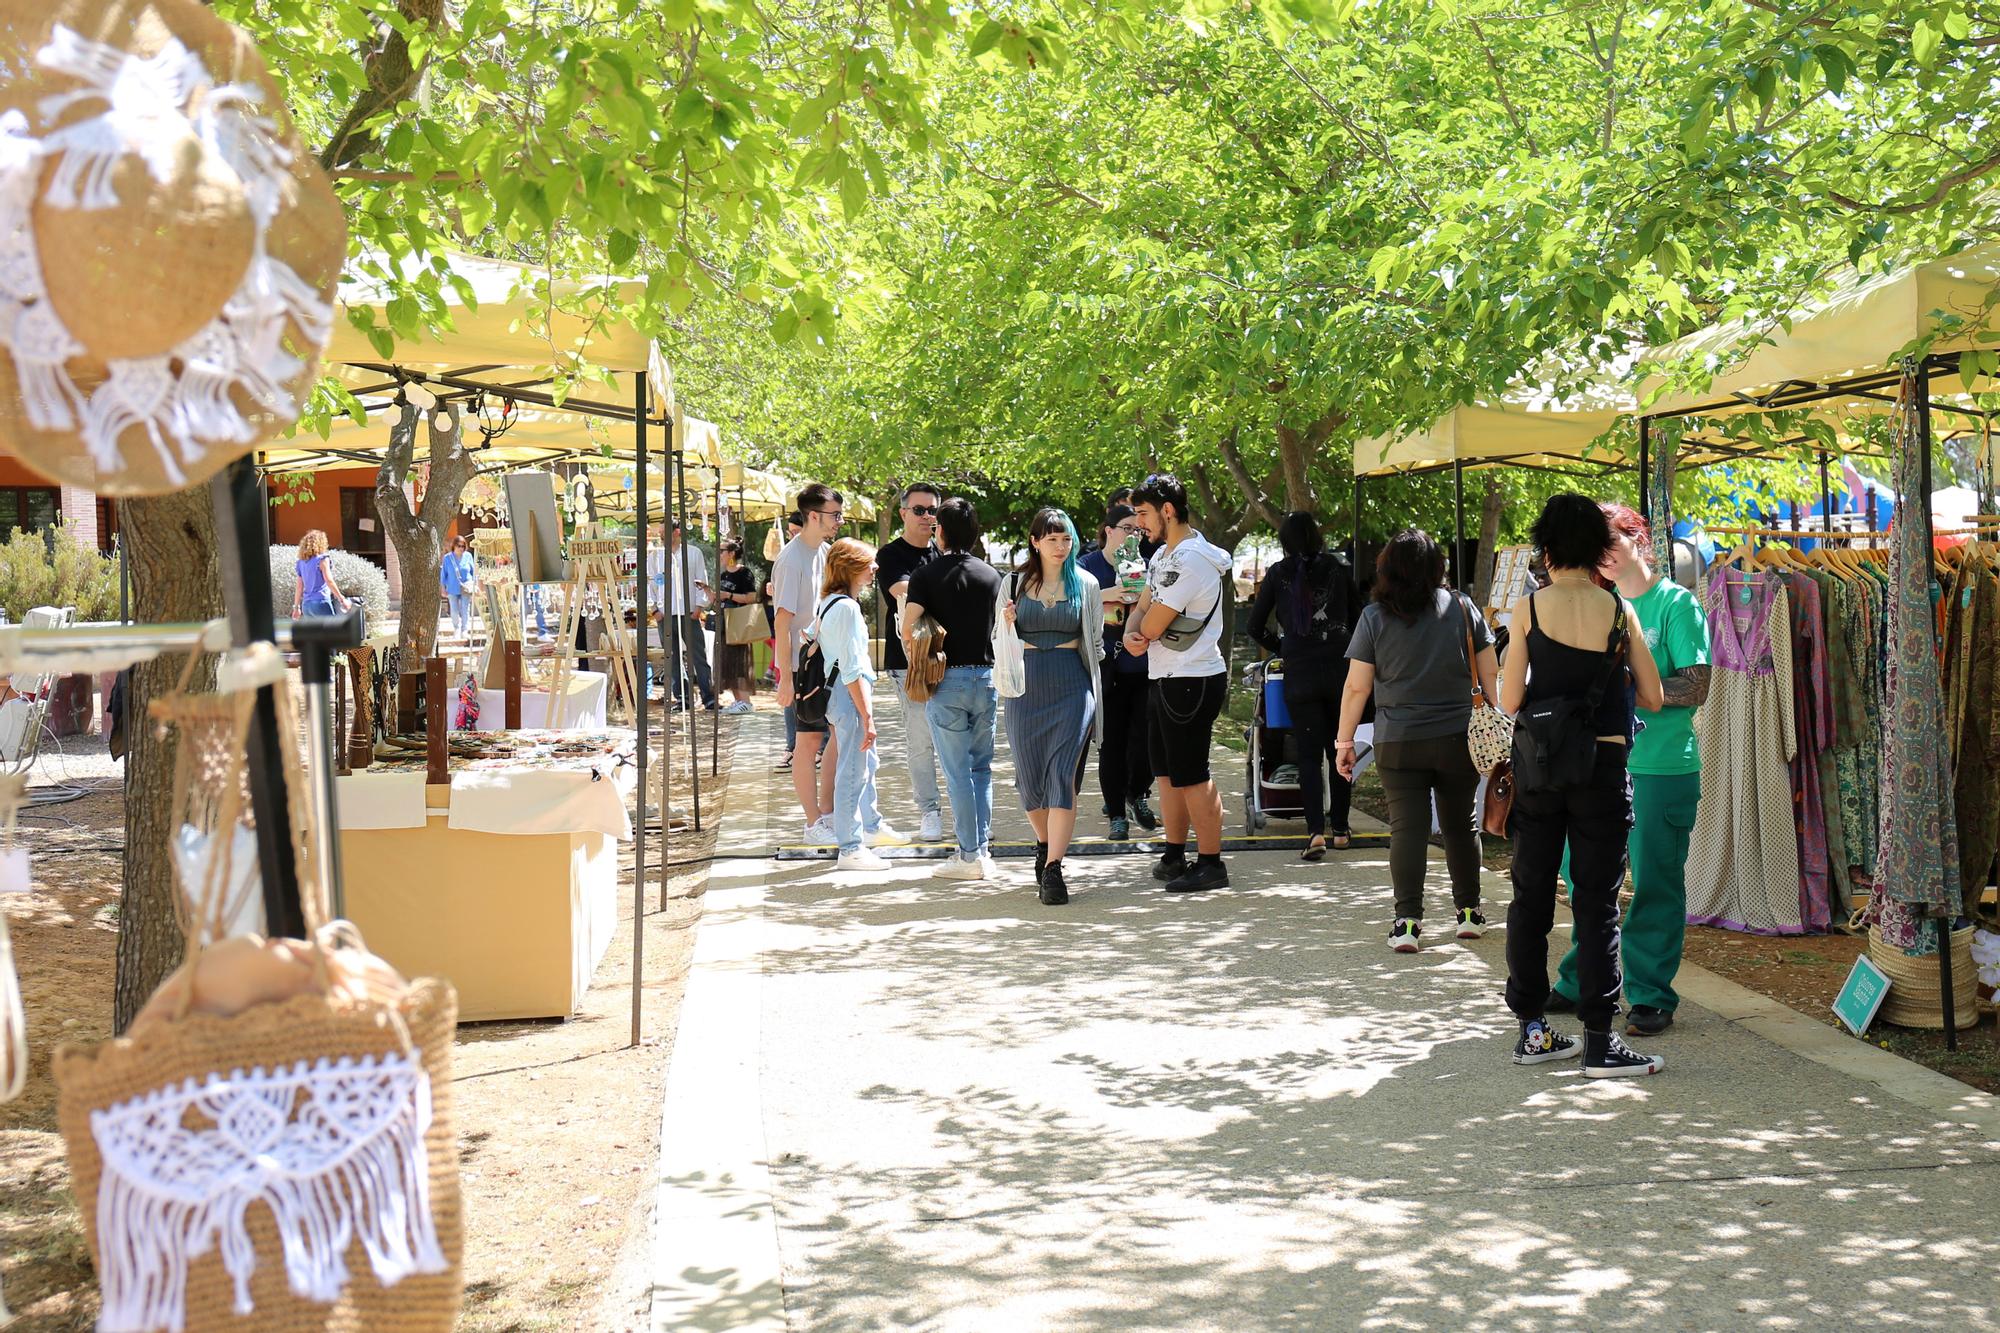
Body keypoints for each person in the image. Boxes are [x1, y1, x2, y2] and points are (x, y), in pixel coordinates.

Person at [1499, 493, 1666, 1077]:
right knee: (1597, 905)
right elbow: (1654, 696)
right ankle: (1600, 1041)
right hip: (1602, 768)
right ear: (1597, 550)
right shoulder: (1619, 611)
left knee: (1531, 896)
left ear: (1546, 549)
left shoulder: (1529, 609)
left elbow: (1509, 698)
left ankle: (1533, 1029)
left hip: (1541, 770)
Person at [1541, 503, 1706, 1039]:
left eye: (1611, 541)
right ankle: (1580, 978)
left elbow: (1698, 684)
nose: (1603, 555)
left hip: (1660, 768)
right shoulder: (1595, 603)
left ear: (1640, 540)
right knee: (1584, 879)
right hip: (1595, 766)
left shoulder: (1676, 604)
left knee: (1655, 882)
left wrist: (1628, 695)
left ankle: (1650, 993)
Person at [1335, 529, 1495, 950]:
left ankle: (1406, 921)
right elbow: (1491, 672)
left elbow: (1356, 688)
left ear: (1387, 569)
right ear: (1436, 567)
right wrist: (1498, 721)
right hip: (1458, 736)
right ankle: (1468, 914)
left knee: (1407, 829)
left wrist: (1344, 741)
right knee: (1461, 825)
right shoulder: (1462, 608)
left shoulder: (1374, 617)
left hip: (1398, 739)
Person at [1123, 473, 1234, 894]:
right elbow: (1141, 610)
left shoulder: (1192, 560)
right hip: (1165, 675)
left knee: (1192, 774)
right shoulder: (1162, 557)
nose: (1139, 523)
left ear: (1167, 511)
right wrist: (1138, 630)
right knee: (1166, 774)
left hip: (1193, 677)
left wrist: (1140, 632)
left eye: (1144, 513)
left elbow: (1150, 622)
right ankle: (1175, 853)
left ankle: (1211, 862)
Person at [1002, 508, 1104, 905]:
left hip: (1072, 685)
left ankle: (1054, 868)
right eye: (1052, 539)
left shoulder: (1087, 583)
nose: (1061, 547)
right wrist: (1006, 622)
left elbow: (1093, 641)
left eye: (1066, 539)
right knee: (1030, 780)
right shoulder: (1012, 583)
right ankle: (1044, 844)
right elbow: (998, 639)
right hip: (1026, 685)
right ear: (1035, 542)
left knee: (1063, 775)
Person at [1248, 512, 1359, 859]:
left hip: (1300, 673)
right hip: (1340, 673)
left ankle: (1315, 833)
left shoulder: (1277, 575)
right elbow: (1361, 617)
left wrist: (1285, 647)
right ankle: (1340, 828)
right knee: (1340, 750)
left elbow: (1254, 626)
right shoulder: (1340, 571)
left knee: (1309, 757)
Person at [904, 498, 1003, 880]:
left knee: (957, 771)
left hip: (945, 680)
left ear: (939, 531)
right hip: (986, 677)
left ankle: (968, 855)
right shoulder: (991, 575)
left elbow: (909, 628)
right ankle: (982, 849)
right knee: (981, 768)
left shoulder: (926, 576)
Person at [814, 539, 904, 870]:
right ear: (851, 567)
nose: (874, 570)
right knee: (853, 770)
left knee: (862, 765)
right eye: (869, 564)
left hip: (835, 692)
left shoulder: (829, 603)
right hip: (847, 692)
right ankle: (851, 846)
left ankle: (865, 830)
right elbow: (852, 669)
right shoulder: (848, 608)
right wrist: (868, 716)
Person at [1079, 504, 1158, 839]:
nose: (1133, 535)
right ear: (1108, 530)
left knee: (1147, 742)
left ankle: (1138, 793)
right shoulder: (1087, 567)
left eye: (1138, 529)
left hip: (1145, 665)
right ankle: (1116, 813)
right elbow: (1076, 606)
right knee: (1111, 744)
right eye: (1127, 528)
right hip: (1105, 667)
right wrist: (1111, 593)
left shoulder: (1149, 565)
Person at [876, 483, 949, 843]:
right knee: (921, 739)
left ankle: (965, 812)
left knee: (954, 738)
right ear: (903, 513)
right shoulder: (890, 555)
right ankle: (929, 811)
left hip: (951, 657)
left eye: (933, 510)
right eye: (919, 510)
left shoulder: (943, 552)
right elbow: (903, 594)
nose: (927, 517)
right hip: (910, 661)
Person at [774, 486, 844, 844]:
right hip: (804, 666)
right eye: (834, 515)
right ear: (812, 516)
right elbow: (782, 621)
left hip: (829, 661)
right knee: (808, 741)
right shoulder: (791, 558)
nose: (839, 522)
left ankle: (828, 812)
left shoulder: (826, 553)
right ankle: (813, 821)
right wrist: (785, 676)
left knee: (840, 735)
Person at [656, 522, 717, 711]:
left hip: (688, 612)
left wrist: (699, 607)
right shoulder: (656, 556)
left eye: (664, 531)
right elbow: (651, 582)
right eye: (659, 532)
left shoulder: (693, 553)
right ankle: (682, 698)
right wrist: (654, 610)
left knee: (698, 656)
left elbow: (701, 579)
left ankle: (708, 697)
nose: (661, 535)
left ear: (676, 532)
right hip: (665, 614)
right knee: (672, 658)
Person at [715, 539, 759, 713]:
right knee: (727, 661)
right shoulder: (723, 574)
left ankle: (745, 701)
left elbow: (751, 597)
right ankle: (737, 700)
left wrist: (729, 595)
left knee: (739, 661)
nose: (719, 554)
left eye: (721, 550)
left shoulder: (744, 573)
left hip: (739, 622)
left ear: (731, 553)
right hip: (724, 622)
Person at [292, 530, 352, 618]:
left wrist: (296, 607)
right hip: (321, 601)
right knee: (331, 631)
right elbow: (329, 581)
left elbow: (299, 586)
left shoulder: (301, 562)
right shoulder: (322, 559)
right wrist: (342, 599)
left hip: (307, 605)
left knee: (315, 632)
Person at [439, 533, 476, 637]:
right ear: (454, 545)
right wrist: (443, 588)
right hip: (452, 587)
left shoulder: (468, 556)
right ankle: (457, 628)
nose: (461, 548)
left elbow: (473, 572)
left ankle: (465, 630)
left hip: (466, 587)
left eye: (463, 546)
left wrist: (475, 585)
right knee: (454, 611)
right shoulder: (447, 558)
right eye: (459, 546)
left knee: (465, 609)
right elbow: (443, 574)